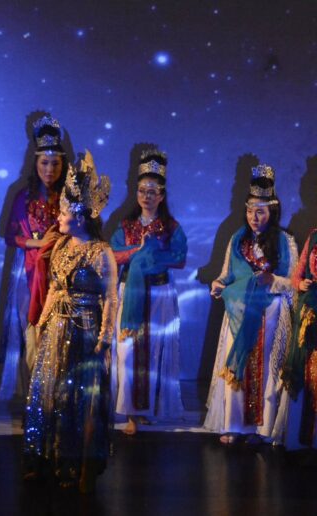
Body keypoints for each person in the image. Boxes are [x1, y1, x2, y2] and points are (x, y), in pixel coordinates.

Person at [24, 151, 117, 493]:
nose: (59, 217)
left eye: (63, 212)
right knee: (50, 395)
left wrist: (104, 340)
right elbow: (53, 288)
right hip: (56, 330)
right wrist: (42, 324)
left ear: (78, 215)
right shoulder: (61, 245)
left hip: (85, 331)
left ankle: (76, 467)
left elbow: (111, 298)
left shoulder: (101, 252)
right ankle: (47, 461)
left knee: (78, 400)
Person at [204, 164, 297, 444]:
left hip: (270, 313)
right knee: (238, 367)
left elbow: (293, 282)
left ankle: (260, 428)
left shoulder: (284, 241)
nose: (254, 218)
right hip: (239, 313)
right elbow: (226, 275)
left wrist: (272, 280)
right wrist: (217, 284)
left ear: (272, 212)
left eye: (260, 212)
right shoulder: (238, 239)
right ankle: (235, 425)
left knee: (265, 368)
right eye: (250, 211)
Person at [111, 150, 187, 435]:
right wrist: (139, 251)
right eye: (142, 191)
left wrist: (152, 256)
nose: (147, 196)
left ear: (162, 195)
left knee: (154, 352)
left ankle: (146, 410)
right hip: (131, 292)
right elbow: (113, 254)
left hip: (158, 295)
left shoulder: (171, 227)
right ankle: (130, 412)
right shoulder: (125, 225)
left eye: (153, 192)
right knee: (128, 351)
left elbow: (179, 258)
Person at [0, 114, 68, 400]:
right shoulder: (23, 196)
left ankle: (56, 394)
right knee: (30, 329)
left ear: (63, 165)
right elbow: (9, 235)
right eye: (44, 163)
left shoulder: (68, 197)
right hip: (28, 271)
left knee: (59, 331)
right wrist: (37, 244)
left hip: (61, 272)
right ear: (35, 163)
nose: (49, 170)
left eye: (55, 163)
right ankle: (33, 394)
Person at [277, 229, 317, 448]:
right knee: (304, 368)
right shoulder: (314, 236)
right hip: (310, 310)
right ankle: (301, 440)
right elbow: (297, 275)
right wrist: (300, 284)